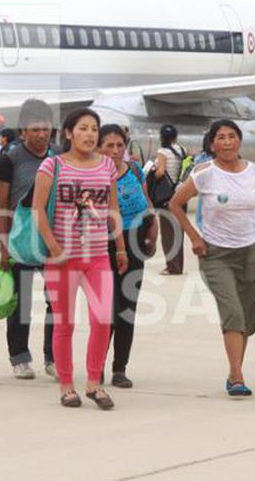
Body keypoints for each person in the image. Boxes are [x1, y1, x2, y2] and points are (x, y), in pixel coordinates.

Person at [168, 119, 255, 397]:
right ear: (212, 144)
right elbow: (175, 204)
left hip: (252, 253)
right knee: (233, 313)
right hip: (216, 255)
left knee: (248, 318)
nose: (227, 142)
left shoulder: (254, 173)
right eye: (221, 137)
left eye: (232, 136)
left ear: (239, 141)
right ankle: (237, 376)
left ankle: (233, 370)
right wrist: (195, 237)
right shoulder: (204, 173)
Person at [33, 108, 126, 410]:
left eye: (94, 129)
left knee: (102, 320)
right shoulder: (52, 166)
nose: (89, 134)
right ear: (69, 133)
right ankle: (66, 385)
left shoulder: (106, 167)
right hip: (62, 259)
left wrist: (121, 248)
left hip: (98, 256)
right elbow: (38, 211)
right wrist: (53, 247)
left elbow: (113, 210)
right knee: (65, 323)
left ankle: (94, 384)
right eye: (83, 128)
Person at [0, 98, 57, 380]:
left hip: (53, 238)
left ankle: (53, 357)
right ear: (22, 131)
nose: (42, 135)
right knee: (21, 302)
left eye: (46, 129)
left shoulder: (59, 156)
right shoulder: (9, 159)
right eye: (35, 129)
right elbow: (3, 204)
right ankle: (19, 356)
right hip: (20, 239)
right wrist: (4, 246)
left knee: (56, 301)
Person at [99, 124, 157, 389]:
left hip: (134, 243)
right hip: (103, 244)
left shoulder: (133, 170)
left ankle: (119, 368)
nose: (114, 151)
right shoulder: (95, 175)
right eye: (109, 145)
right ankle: (96, 366)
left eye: (119, 145)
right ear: (99, 147)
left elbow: (146, 202)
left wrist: (153, 228)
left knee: (127, 309)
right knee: (105, 310)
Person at [153, 123, 189, 275]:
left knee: (168, 233)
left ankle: (172, 266)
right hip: (181, 194)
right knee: (178, 231)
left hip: (166, 196)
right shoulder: (182, 150)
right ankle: (178, 265)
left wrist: (151, 174)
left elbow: (161, 172)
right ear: (175, 136)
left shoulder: (162, 151)